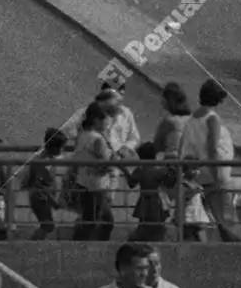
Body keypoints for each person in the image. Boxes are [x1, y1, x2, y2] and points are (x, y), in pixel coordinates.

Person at [178, 78, 241, 242]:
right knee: (227, 218)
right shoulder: (212, 118)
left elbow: (185, 147)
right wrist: (217, 175)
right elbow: (213, 148)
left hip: (202, 174)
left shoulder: (192, 119)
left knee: (220, 218)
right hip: (216, 173)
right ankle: (240, 253)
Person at [71, 102, 118, 241]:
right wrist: (115, 158)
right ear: (97, 120)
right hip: (96, 187)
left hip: (83, 183)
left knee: (97, 220)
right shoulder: (98, 139)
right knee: (96, 222)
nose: (107, 123)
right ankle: (83, 248)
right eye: (105, 120)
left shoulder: (83, 134)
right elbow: (106, 164)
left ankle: (82, 245)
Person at [124, 142, 175, 242]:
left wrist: (125, 171)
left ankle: (135, 241)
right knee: (159, 227)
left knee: (144, 226)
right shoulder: (160, 170)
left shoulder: (140, 170)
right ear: (155, 155)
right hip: (158, 201)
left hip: (144, 201)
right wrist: (172, 168)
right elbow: (170, 182)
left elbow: (131, 183)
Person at [26, 127, 67, 241]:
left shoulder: (44, 159)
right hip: (40, 198)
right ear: (55, 148)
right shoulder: (43, 163)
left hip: (41, 197)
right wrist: (54, 202)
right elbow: (40, 186)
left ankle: (34, 243)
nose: (63, 150)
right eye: (62, 147)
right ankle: (31, 245)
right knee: (48, 226)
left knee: (47, 225)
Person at [152, 82, 192, 158]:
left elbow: (156, 147)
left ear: (168, 100)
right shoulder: (191, 119)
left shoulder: (169, 122)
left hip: (170, 164)